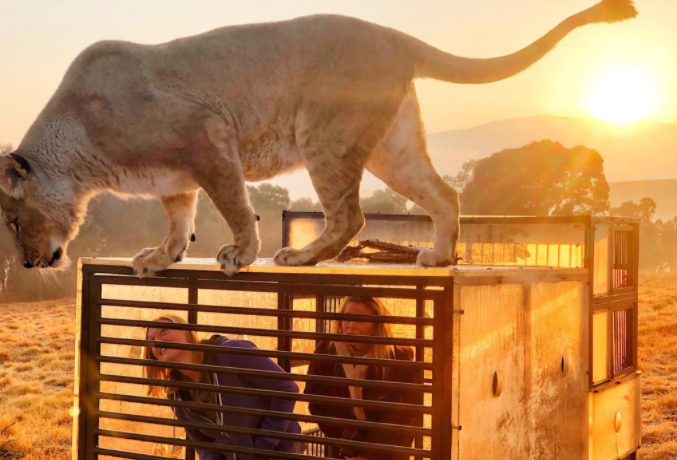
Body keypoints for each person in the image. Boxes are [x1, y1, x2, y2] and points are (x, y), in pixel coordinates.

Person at [144, 315, 304, 460]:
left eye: (164, 331)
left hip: (280, 451)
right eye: (151, 339)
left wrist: (263, 447)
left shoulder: (229, 353)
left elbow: (285, 388)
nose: (157, 340)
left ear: (186, 331)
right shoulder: (176, 393)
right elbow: (201, 441)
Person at [304, 297, 420, 460]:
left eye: (359, 320)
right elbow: (316, 402)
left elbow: (404, 412)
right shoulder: (327, 351)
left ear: (376, 325)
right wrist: (342, 439)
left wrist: (369, 451)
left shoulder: (397, 358)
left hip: (386, 449)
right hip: (343, 448)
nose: (351, 326)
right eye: (347, 318)